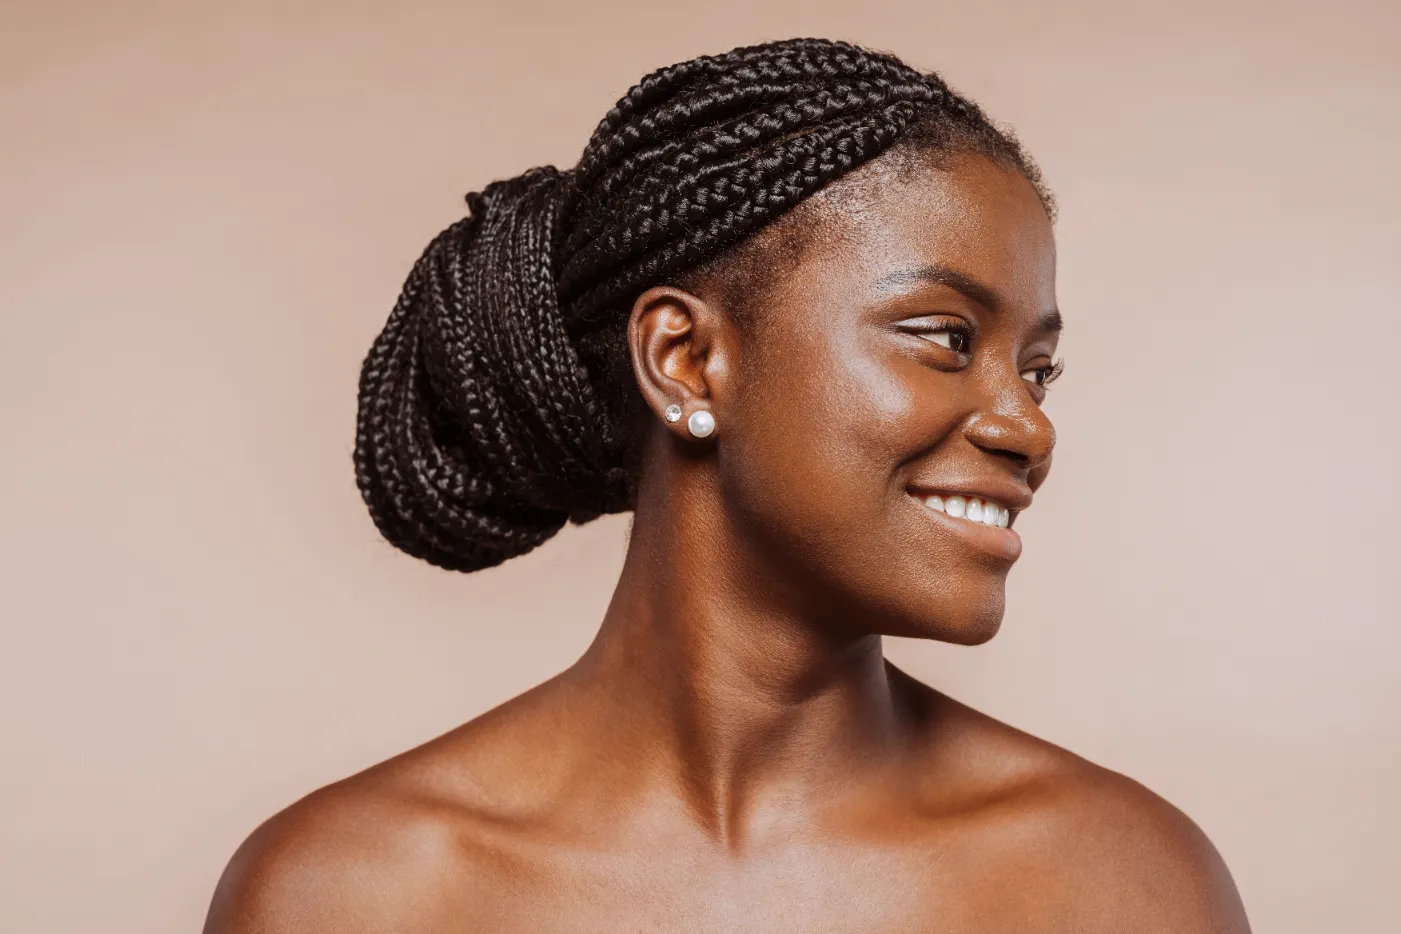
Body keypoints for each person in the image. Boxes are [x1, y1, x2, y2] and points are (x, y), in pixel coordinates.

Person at [204, 37, 1251, 933]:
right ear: (686, 360)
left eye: (1038, 368)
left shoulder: (1118, 884)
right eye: (945, 337)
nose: (1029, 424)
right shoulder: (353, 894)